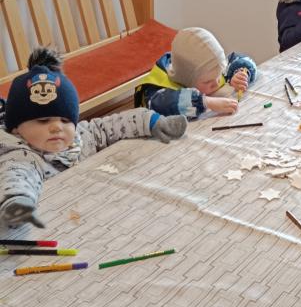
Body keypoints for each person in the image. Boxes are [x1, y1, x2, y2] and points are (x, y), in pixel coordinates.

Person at [0, 48, 187, 230]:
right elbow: (16, 178)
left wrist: (151, 121)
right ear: (16, 128)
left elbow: (110, 125)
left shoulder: (80, 137)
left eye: (65, 120)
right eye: (43, 121)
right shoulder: (21, 157)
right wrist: (17, 203)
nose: (57, 127)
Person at [134, 27, 258, 119]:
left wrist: (241, 72)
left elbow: (240, 58)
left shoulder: (212, 69)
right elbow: (161, 104)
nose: (216, 82)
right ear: (186, 80)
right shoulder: (158, 90)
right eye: (208, 82)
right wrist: (205, 102)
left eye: (218, 75)